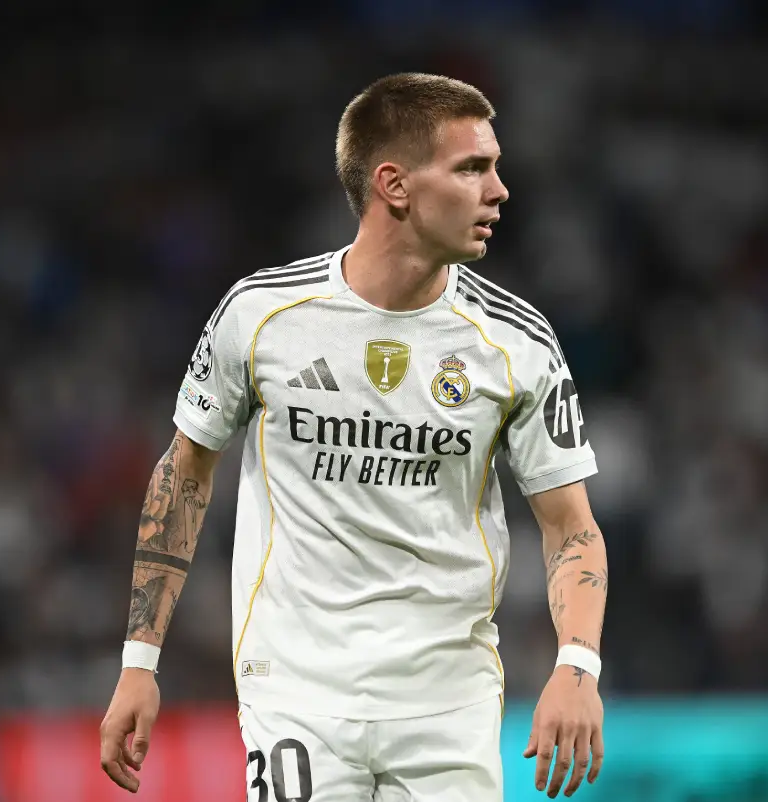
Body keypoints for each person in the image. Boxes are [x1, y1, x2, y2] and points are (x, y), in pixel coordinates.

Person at [99, 72, 608, 801]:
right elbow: (183, 474)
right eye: (471, 168)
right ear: (393, 184)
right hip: (296, 694)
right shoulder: (263, 314)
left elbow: (572, 529)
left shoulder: (517, 343)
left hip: (448, 702)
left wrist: (577, 666)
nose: (499, 191)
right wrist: (139, 662)